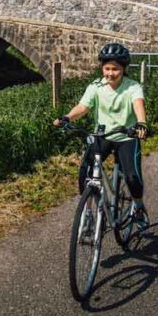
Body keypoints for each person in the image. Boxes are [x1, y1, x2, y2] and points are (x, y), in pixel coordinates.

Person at [54, 42, 149, 227]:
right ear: (102, 68)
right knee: (85, 172)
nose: (110, 73)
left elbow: (138, 105)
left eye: (115, 69)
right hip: (102, 136)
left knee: (132, 177)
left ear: (124, 69)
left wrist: (141, 124)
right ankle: (89, 211)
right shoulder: (96, 86)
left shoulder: (133, 87)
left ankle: (138, 207)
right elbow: (83, 107)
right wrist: (67, 117)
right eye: (107, 68)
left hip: (126, 137)